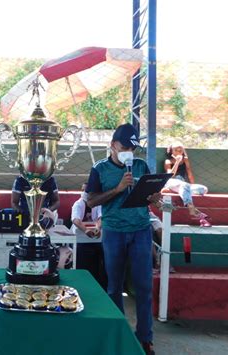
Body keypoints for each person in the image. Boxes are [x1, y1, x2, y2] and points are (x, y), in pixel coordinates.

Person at [84, 123, 162, 355]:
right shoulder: (99, 169)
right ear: (113, 145)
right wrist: (118, 189)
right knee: (114, 287)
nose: (130, 151)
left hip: (140, 231)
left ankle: (145, 338)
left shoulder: (141, 165)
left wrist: (155, 197)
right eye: (125, 146)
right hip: (114, 232)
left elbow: (147, 195)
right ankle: (119, 335)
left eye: (133, 147)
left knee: (144, 286)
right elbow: (91, 201)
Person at [162, 142, 211, 227]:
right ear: (171, 151)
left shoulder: (185, 160)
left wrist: (192, 185)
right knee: (184, 185)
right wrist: (177, 162)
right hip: (171, 181)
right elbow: (170, 175)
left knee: (204, 189)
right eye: (176, 150)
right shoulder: (168, 161)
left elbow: (189, 173)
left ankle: (178, 192)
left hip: (184, 184)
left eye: (180, 150)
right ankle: (191, 208)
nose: (178, 152)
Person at [71, 183, 107, 290]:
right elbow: (76, 220)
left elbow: (101, 218)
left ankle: (101, 286)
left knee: (104, 258)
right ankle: (82, 285)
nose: (84, 193)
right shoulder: (78, 204)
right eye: (83, 190)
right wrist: (86, 230)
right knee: (83, 256)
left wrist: (98, 228)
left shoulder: (98, 204)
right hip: (80, 240)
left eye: (87, 191)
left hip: (97, 239)